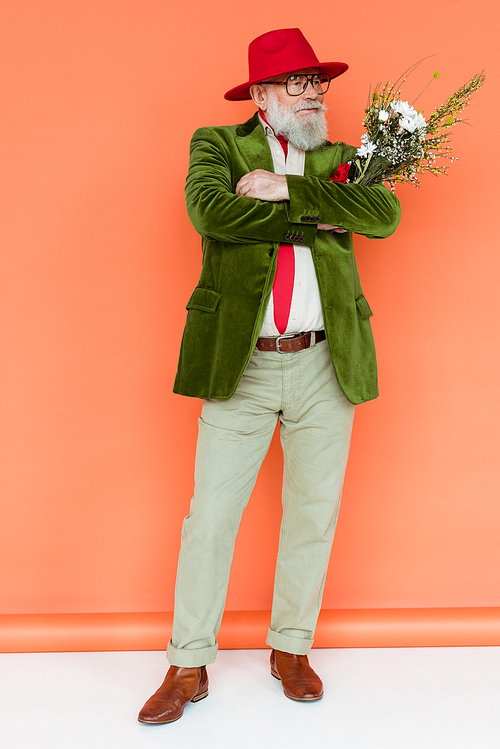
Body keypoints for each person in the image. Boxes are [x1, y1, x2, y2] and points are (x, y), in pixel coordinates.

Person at [138, 27, 401, 724]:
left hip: (325, 360)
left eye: (319, 81)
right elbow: (211, 213)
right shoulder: (217, 146)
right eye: (298, 82)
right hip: (245, 363)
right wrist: (316, 219)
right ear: (260, 95)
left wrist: (287, 190)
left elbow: (384, 214)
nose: (314, 93)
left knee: (314, 513)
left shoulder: (343, 158)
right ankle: (187, 660)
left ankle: (290, 647)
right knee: (211, 518)